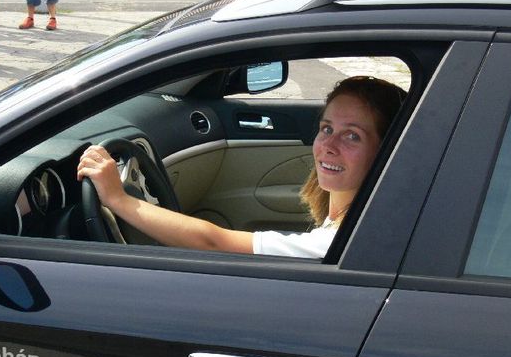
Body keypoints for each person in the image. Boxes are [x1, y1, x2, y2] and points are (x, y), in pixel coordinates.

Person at [77, 76, 404, 258]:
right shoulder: (360, 221)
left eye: (352, 136)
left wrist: (119, 199)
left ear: (388, 149)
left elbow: (214, 242)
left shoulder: (343, 242)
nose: (329, 145)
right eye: (326, 128)